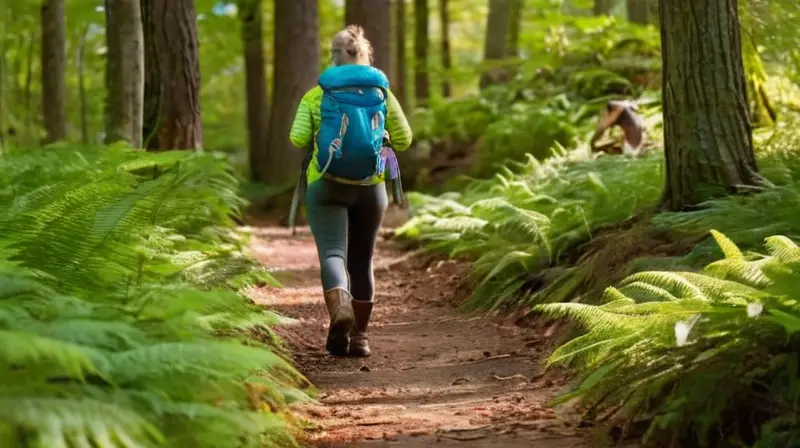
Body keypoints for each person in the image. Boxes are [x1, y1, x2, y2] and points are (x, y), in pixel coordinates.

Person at [288, 25, 412, 357]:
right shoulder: (382, 92)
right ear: (365, 53)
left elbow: (298, 138)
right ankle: (359, 337)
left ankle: (339, 308)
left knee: (333, 254)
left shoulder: (318, 93)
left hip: (326, 183)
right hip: (371, 188)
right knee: (362, 259)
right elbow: (404, 139)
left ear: (334, 56)